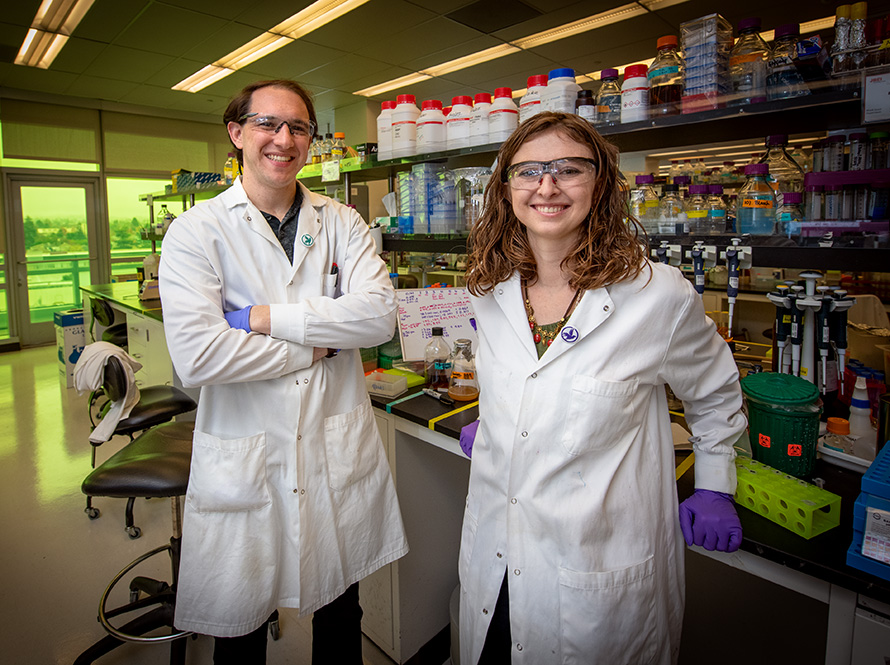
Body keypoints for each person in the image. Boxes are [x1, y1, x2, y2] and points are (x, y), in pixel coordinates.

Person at [458, 112, 746, 665]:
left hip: (594, 562)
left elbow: (713, 390)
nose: (546, 186)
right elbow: (513, 378)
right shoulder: (490, 288)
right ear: (506, 188)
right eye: (529, 171)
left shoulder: (655, 296)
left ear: (602, 183)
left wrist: (715, 482)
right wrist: (497, 422)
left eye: (569, 169)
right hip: (493, 550)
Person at [158, 79, 407, 664]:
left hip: (332, 443)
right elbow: (199, 357)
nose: (284, 139)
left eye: (298, 127)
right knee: (240, 624)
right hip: (246, 452)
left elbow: (377, 318)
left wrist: (264, 318)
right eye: (268, 123)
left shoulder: (341, 220)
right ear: (237, 132)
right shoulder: (199, 231)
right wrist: (315, 345)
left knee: (341, 610)